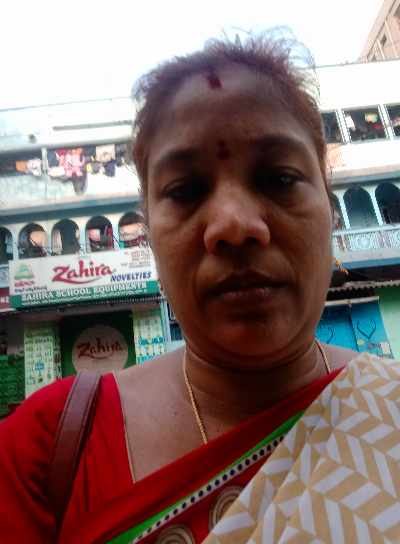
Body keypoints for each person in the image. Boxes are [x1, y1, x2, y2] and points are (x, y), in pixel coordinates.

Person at [1, 33, 400, 544]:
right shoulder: (43, 449)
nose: (234, 225)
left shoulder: (388, 409)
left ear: (328, 200)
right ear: (147, 227)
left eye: (278, 178)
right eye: (186, 190)